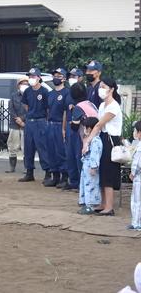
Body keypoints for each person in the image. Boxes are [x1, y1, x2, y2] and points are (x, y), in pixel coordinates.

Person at [82, 77, 123, 216]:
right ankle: (103, 203)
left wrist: (87, 141)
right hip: (102, 138)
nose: (101, 89)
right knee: (101, 171)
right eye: (101, 86)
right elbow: (98, 125)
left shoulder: (114, 106)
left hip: (111, 140)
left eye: (104, 86)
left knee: (109, 173)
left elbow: (99, 125)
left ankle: (109, 207)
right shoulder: (101, 106)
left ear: (112, 89)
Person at [63, 83, 98, 192]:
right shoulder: (90, 104)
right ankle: (78, 183)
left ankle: (78, 183)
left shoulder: (78, 107)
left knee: (77, 157)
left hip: (82, 135)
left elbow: (74, 126)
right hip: (95, 135)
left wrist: (73, 112)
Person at [19, 68, 50, 182]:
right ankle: (29, 172)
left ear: (39, 77)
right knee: (28, 148)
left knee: (42, 147)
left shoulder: (44, 91)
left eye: (33, 76)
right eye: (30, 77)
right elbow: (25, 105)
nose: (31, 79)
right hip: (30, 122)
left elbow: (48, 108)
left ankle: (47, 172)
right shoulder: (27, 91)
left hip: (40, 121)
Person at [44, 68, 69, 187]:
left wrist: (63, 128)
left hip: (60, 125)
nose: (56, 78)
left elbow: (65, 112)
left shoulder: (66, 93)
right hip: (50, 125)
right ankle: (55, 176)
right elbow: (48, 110)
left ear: (64, 78)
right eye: (55, 76)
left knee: (61, 151)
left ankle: (64, 177)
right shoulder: (50, 94)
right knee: (51, 150)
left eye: (59, 76)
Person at [77, 117, 103, 215]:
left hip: (91, 167)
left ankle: (90, 205)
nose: (84, 130)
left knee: (91, 185)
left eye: (85, 128)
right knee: (85, 184)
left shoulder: (95, 140)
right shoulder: (91, 140)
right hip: (86, 166)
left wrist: (93, 166)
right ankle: (86, 203)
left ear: (89, 129)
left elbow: (95, 155)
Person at [6, 76, 28, 173]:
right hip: (14, 123)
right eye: (22, 83)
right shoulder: (13, 95)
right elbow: (11, 108)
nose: (24, 85)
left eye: (26, 83)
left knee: (26, 147)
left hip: (25, 124)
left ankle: (27, 168)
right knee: (12, 146)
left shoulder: (30, 96)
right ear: (18, 86)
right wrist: (17, 119)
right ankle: (12, 168)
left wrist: (22, 119)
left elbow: (31, 109)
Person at [128, 121, 141, 230]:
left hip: (139, 178)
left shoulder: (140, 147)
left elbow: (137, 163)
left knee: (137, 201)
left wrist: (132, 173)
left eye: (135, 131)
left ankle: (136, 223)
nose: (134, 133)